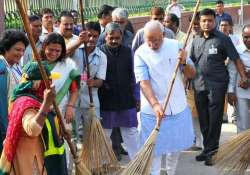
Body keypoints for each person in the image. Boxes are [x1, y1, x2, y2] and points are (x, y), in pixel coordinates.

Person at [134, 20, 195, 175]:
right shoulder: (140, 53)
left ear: (163, 35)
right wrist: (154, 104)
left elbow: (191, 74)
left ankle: (170, 172)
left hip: (176, 105)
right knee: (154, 149)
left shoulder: (176, 46)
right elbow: (143, 82)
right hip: (152, 109)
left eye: (156, 40)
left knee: (174, 148)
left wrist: (184, 62)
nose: (153, 44)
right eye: (149, 40)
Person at [190, 8, 248, 166]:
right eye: (203, 21)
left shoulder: (223, 39)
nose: (206, 23)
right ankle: (206, 148)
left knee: (215, 119)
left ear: (214, 20)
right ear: (199, 22)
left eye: (209, 20)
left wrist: (243, 76)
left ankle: (212, 152)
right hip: (199, 85)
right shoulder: (195, 40)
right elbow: (191, 63)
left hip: (217, 86)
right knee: (203, 119)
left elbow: (235, 59)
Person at [0, 61, 67, 175]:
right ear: (38, 84)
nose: (51, 84)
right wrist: (46, 104)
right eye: (49, 81)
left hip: (39, 157)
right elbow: (33, 129)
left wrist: (61, 130)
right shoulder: (25, 103)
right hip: (28, 161)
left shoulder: (37, 100)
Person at [98, 22, 140, 160]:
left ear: (121, 37)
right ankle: (104, 164)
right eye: (111, 38)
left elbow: (134, 76)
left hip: (126, 99)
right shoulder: (99, 52)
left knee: (131, 132)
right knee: (105, 134)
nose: (115, 41)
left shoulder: (128, 52)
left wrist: (137, 96)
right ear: (105, 37)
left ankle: (137, 164)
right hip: (106, 100)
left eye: (117, 38)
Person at [40, 32, 80, 174]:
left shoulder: (68, 65)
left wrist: (70, 107)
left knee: (64, 142)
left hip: (61, 112)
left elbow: (75, 90)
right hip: (40, 113)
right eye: (50, 49)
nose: (54, 53)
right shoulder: (36, 65)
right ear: (44, 47)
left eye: (58, 51)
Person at [74, 21, 107, 142]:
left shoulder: (101, 56)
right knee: (73, 134)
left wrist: (94, 83)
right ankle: (74, 160)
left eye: (95, 36)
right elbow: (63, 55)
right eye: (89, 35)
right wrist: (78, 42)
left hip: (91, 101)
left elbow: (100, 81)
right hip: (72, 101)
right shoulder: (75, 49)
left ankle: (91, 159)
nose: (91, 39)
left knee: (93, 135)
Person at [0, 30, 29, 153]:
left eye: (23, 50)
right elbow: (1, 103)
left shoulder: (16, 66)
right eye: (17, 50)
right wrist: (6, 132)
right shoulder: (2, 69)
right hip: (5, 125)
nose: (21, 53)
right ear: (6, 48)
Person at [227, 24, 250, 132]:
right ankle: (243, 149)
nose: (248, 40)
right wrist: (230, 91)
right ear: (242, 36)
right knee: (243, 125)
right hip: (241, 94)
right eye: (246, 37)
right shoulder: (236, 51)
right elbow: (231, 73)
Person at [185, 12, 203, 151]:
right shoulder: (186, 40)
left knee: (204, 113)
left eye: (198, 24)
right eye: (193, 24)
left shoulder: (207, 39)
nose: (195, 26)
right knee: (193, 114)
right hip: (190, 84)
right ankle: (197, 140)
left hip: (205, 83)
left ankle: (206, 141)